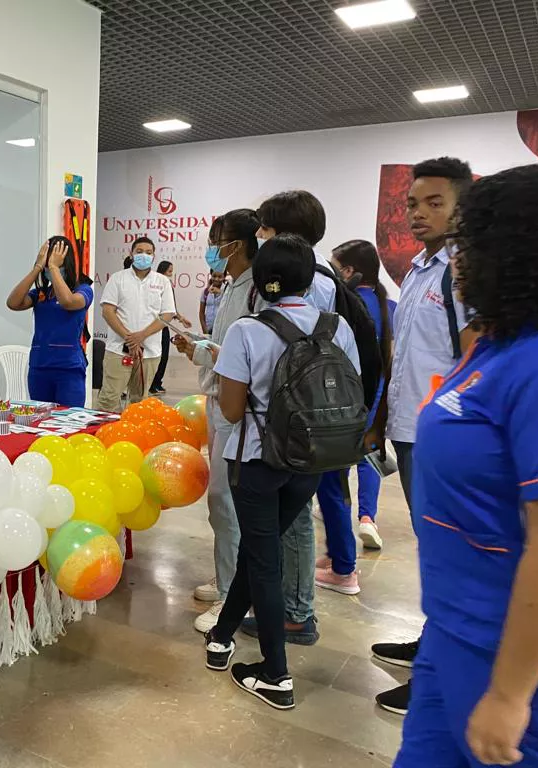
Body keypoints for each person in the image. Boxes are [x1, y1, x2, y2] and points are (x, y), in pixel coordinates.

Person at [394, 164, 538, 767]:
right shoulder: (493, 343)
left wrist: (511, 694)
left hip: (511, 656)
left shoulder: (537, 363)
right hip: (450, 632)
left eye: (470, 244)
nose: (457, 260)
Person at [203, 233, 360, 710]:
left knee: (264, 561)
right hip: (311, 461)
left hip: (256, 461)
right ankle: (223, 636)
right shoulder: (336, 328)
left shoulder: (247, 331)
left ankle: (275, 674)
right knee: (260, 548)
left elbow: (231, 412)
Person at [369, 157, 475, 716]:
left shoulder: (468, 271)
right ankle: (430, 643)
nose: (418, 213)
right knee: (431, 551)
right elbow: (405, 356)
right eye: (412, 203)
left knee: (450, 554)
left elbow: (478, 356)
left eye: (434, 203)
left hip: (446, 434)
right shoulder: (417, 270)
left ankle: (442, 675)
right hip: (411, 429)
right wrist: (382, 419)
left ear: (462, 205)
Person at [240, 190, 337, 647]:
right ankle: (282, 602)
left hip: (292, 424)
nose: (259, 234)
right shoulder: (313, 278)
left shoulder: (311, 282)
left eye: (266, 226)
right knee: (289, 518)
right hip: (296, 418)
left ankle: (296, 611)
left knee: (296, 520)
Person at [174, 209, 261, 633]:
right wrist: (198, 349)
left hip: (235, 409)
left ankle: (234, 596)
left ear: (237, 245)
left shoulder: (255, 291)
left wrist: (211, 352)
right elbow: (226, 347)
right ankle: (227, 578)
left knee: (227, 502)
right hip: (217, 399)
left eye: (218, 240)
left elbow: (247, 355)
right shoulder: (230, 287)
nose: (212, 248)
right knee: (220, 501)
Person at [315, 240, 397, 595]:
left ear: (347, 272)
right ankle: (357, 530)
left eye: (335, 267)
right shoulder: (388, 307)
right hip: (373, 407)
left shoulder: (342, 307)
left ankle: (344, 568)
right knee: (355, 473)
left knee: (331, 487)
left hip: (341, 410)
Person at [6, 236, 94, 406]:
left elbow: (68, 302)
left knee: (70, 420)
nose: (49, 266)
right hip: (40, 366)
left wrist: (53, 268)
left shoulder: (83, 290)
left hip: (68, 368)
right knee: (41, 421)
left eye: (55, 262)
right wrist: (37, 267)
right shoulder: (41, 294)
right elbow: (13, 303)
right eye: (48, 262)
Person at [96, 237, 176, 412]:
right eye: (139, 251)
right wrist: (129, 337)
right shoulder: (118, 279)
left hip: (149, 352)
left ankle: (134, 437)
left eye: (148, 252)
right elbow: (108, 311)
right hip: (118, 350)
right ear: (131, 254)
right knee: (108, 399)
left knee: (139, 401)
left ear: (154, 256)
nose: (144, 255)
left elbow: (167, 314)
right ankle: (100, 435)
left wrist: (141, 336)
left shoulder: (162, 282)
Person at [148, 260, 192, 395]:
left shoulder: (167, 286)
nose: (171, 274)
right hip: (155, 325)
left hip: (164, 325)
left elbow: (171, 309)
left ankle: (156, 383)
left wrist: (181, 318)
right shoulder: (153, 286)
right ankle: (152, 384)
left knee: (163, 356)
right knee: (157, 356)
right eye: (169, 271)